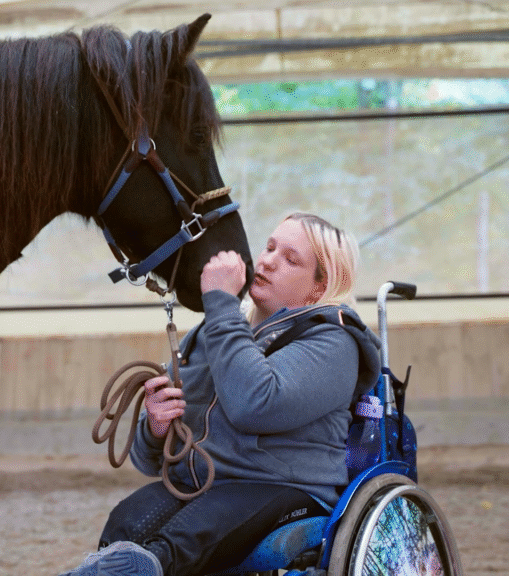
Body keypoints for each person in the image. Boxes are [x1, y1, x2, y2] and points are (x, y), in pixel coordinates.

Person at [60, 212, 382, 576]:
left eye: (291, 259)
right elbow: (148, 461)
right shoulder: (219, 327)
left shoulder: (333, 340)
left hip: (280, 488)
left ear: (319, 288)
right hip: (202, 485)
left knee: (192, 534)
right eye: (270, 247)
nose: (268, 261)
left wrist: (220, 305)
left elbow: (255, 405)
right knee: (126, 521)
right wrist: (157, 426)